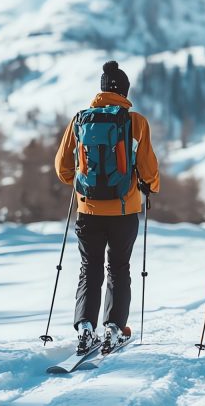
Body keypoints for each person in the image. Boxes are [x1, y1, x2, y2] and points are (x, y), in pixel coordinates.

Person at [55, 61, 161, 354]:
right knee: (119, 268)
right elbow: (148, 167)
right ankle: (114, 327)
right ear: (125, 91)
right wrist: (150, 187)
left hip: (88, 211)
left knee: (89, 269)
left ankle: (85, 328)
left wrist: (79, 186)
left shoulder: (80, 119)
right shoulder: (135, 121)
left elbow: (62, 168)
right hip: (124, 211)